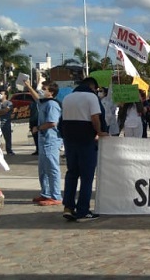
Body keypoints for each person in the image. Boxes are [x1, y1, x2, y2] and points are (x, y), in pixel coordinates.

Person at [60, 77, 106, 222]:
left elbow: (62, 120)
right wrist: (99, 132)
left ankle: (68, 206)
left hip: (69, 139)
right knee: (87, 176)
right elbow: (95, 117)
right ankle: (83, 211)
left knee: (72, 173)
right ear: (93, 87)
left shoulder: (67, 98)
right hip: (86, 139)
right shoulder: (91, 97)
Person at [25, 80, 63, 206]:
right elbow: (36, 97)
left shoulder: (52, 105)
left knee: (52, 168)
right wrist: (28, 86)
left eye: (44, 88)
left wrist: (38, 128)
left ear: (51, 92)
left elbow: (52, 122)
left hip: (51, 140)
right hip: (43, 140)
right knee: (43, 169)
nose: (41, 90)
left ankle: (56, 195)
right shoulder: (43, 103)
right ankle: (46, 193)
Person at [0, 89, 15, 156]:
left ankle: (9, 151)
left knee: (8, 138)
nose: (0, 95)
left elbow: (5, 111)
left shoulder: (9, 103)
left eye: (2, 94)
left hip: (6, 123)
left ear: (5, 95)